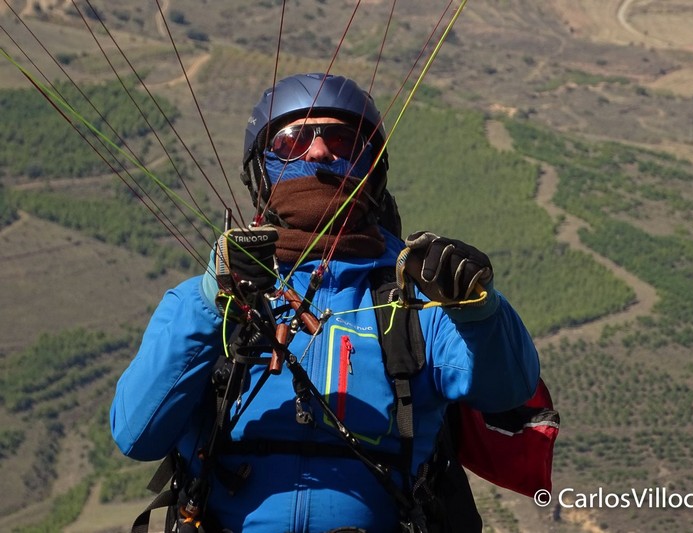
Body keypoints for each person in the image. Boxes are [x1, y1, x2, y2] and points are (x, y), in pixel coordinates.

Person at [110, 72, 540, 533]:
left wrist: (479, 310)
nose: (318, 152)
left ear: (370, 168)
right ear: (263, 169)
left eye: (342, 139)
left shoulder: (417, 299)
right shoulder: (207, 301)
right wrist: (211, 303)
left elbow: (508, 389)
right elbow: (137, 434)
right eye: (292, 141)